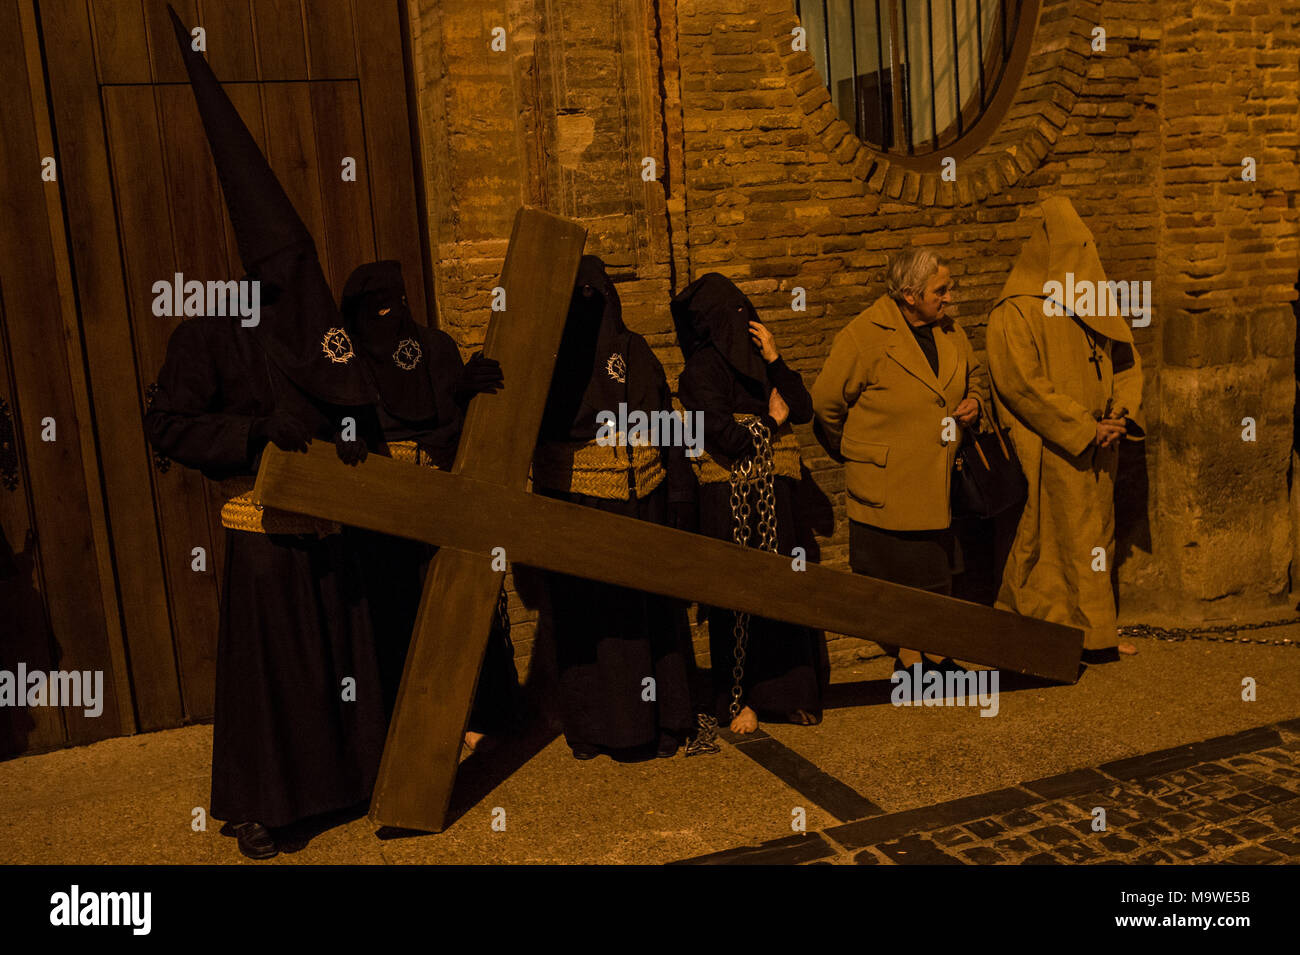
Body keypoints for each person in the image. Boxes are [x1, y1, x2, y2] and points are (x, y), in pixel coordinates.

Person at [147, 9, 388, 860]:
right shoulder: (211, 331)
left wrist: (354, 427)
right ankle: (266, 807)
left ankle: (348, 784)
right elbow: (168, 424)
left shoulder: (317, 321)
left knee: (341, 660)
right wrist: (257, 431)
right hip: (263, 532)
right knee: (275, 675)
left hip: (333, 528)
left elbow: (353, 396)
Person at [338, 260, 518, 752]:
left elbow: (453, 423)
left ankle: (474, 715)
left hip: (441, 497)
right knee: (394, 614)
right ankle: (408, 726)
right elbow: (333, 414)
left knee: (455, 605)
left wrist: (465, 392)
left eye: (396, 302)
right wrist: (346, 434)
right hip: (381, 509)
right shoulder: (344, 357)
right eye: (375, 308)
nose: (389, 315)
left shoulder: (434, 348)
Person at [532, 255, 694, 760]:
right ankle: (595, 730)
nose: (590, 307)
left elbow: (666, 423)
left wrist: (679, 493)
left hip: (645, 502)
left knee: (651, 615)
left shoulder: (635, 351)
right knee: (589, 623)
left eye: (596, 296)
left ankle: (665, 724)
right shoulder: (549, 360)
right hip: (578, 507)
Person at [811, 250, 987, 671]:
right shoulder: (864, 335)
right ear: (910, 295)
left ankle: (935, 652)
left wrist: (975, 401)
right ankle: (910, 660)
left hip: (940, 481)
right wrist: (857, 451)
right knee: (900, 575)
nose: (949, 297)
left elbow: (974, 375)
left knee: (936, 572)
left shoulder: (950, 331)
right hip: (890, 485)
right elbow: (825, 403)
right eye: (940, 290)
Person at [986, 195, 1144, 659]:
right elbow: (1021, 384)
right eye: (1078, 250)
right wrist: (1083, 428)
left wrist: (1121, 414)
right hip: (1052, 446)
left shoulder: (1090, 302)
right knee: (1047, 541)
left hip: (1100, 445)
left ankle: (1096, 634)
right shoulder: (1015, 312)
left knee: (1094, 540)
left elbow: (1126, 361)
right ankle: (1037, 638)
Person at [671, 272, 822, 735]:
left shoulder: (760, 361)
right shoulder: (699, 374)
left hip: (777, 496)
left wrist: (775, 358)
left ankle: (789, 695)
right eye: (731, 314)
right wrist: (771, 423)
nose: (743, 322)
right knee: (737, 600)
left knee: (782, 593)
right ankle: (740, 700)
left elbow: (802, 408)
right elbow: (728, 439)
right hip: (728, 499)